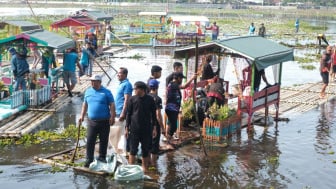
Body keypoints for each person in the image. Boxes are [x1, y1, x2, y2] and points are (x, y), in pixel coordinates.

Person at [78, 74, 116, 168]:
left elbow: (112, 104)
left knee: (103, 140)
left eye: (94, 81)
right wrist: (82, 116)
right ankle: (89, 159)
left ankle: (102, 157)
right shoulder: (88, 91)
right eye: (91, 81)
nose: (92, 83)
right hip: (91, 121)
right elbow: (85, 104)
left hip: (104, 121)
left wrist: (112, 116)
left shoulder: (106, 92)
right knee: (90, 140)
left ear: (99, 82)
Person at [125, 81, 157, 172]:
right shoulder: (132, 99)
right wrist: (127, 128)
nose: (134, 91)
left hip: (146, 128)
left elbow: (154, 115)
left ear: (142, 89)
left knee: (145, 149)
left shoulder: (150, 99)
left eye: (136, 89)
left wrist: (154, 127)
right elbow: (128, 114)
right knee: (133, 149)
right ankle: (131, 168)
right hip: (134, 128)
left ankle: (145, 168)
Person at [165, 72, 196, 147]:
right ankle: (169, 141)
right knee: (174, 126)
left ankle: (169, 140)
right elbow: (184, 86)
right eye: (181, 78)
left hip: (172, 108)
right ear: (178, 78)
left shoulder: (171, 84)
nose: (181, 80)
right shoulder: (173, 85)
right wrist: (192, 78)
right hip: (172, 108)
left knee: (170, 124)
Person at [148, 79, 164, 167]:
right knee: (154, 144)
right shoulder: (157, 99)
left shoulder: (145, 96)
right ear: (157, 87)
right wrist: (163, 128)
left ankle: (147, 162)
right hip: (154, 124)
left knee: (147, 143)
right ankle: (153, 164)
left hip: (146, 123)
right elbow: (158, 115)